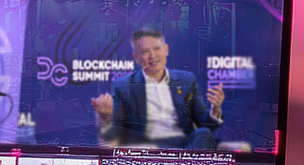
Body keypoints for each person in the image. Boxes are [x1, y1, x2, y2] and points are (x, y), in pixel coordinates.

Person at [92, 29, 224, 149]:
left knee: (203, 133)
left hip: (183, 146)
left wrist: (215, 110)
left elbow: (205, 124)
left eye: (157, 48)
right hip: (148, 147)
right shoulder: (123, 85)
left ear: (166, 50)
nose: (152, 56)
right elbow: (115, 132)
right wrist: (105, 117)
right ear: (136, 58)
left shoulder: (186, 80)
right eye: (145, 51)